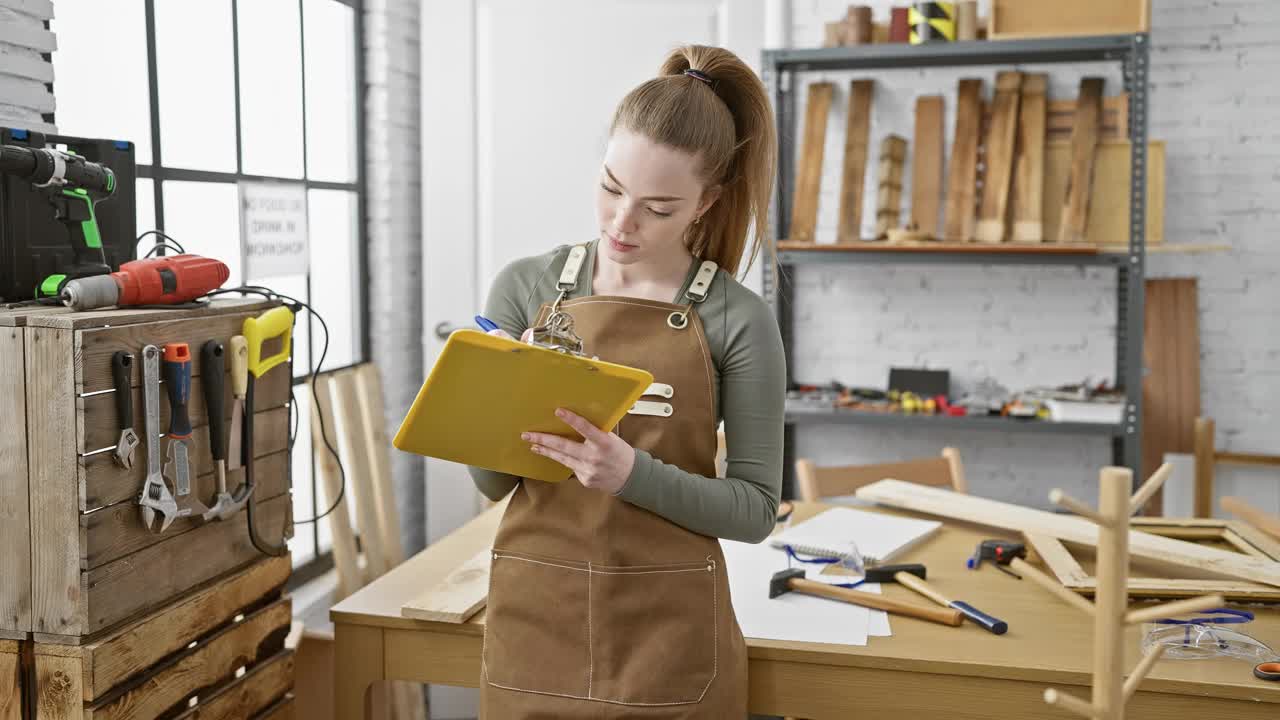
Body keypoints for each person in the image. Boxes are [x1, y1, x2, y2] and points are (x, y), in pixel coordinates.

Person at [468, 44, 785, 719]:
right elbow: (495, 486)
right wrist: (503, 395)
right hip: (534, 625)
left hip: (672, 646)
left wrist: (629, 474)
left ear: (708, 201)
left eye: (658, 208)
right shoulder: (524, 288)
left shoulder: (738, 319)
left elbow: (757, 511)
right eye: (611, 188)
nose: (621, 223)